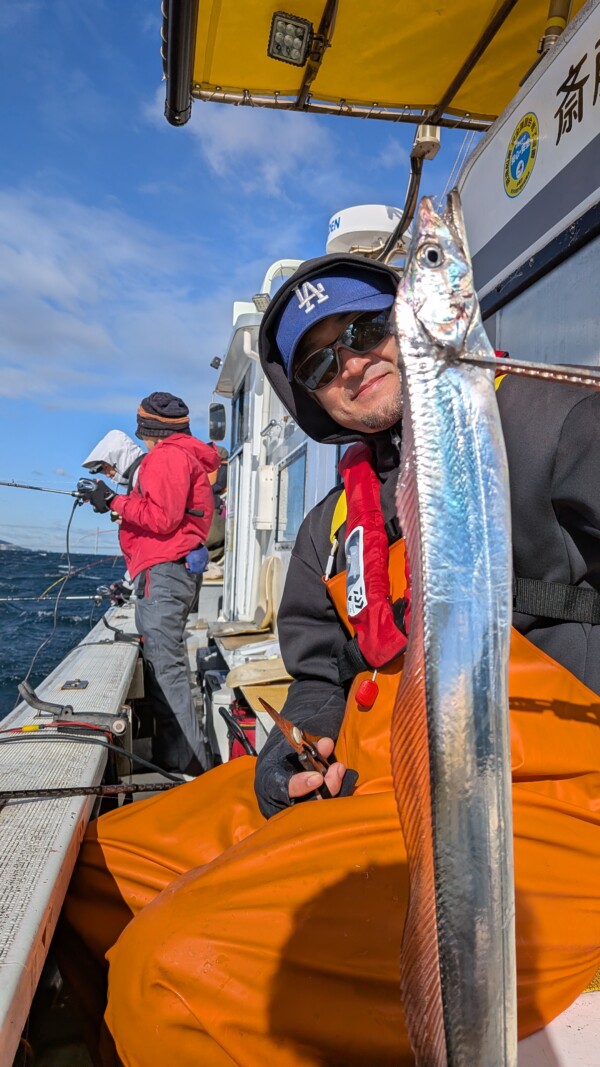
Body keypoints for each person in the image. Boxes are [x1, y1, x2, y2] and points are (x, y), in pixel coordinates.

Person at [58, 259, 600, 1067]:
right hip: (371, 778)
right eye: (318, 361)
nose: (350, 361)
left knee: (166, 972)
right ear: (310, 398)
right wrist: (291, 751)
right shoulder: (328, 526)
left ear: (410, 321)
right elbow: (319, 677)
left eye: (365, 329)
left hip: (533, 805)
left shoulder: (550, 423)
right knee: (95, 866)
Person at [82, 392, 220, 777]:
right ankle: (176, 760)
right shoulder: (177, 454)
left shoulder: (166, 456)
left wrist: (113, 502)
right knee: (163, 668)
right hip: (162, 575)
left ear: (149, 429)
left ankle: (190, 766)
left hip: (164, 575)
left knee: (167, 670)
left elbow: (161, 519)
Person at [82, 429, 145, 604]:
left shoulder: (143, 474)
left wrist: (112, 500)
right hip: (143, 574)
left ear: (118, 458)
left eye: (105, 467)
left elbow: (150, 532)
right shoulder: (136, 478)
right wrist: (128, 584)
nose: (107, 474)